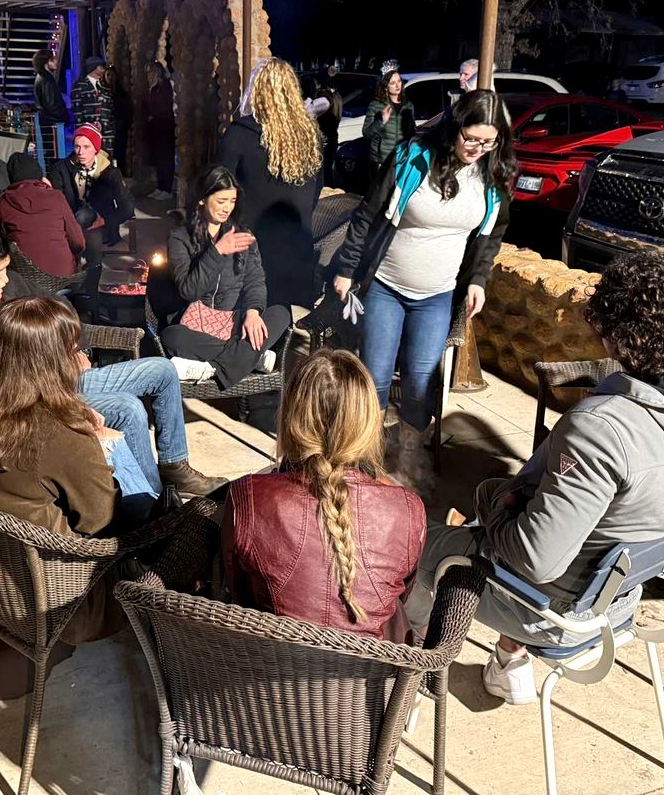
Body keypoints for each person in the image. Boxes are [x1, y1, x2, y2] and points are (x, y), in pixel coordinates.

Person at [403, 251, 664, 704]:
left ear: (617, 340)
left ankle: (404, 671)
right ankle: (508, 667)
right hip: (618, 593)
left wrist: (496, 507)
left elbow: (534, 560)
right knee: (513, 516)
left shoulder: (602, 429)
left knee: (413, 546)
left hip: (549, 609)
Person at [0, 238, 225, 496]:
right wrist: (65, 403)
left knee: (161, 370)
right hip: (24, 402)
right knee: (127, 408)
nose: (4, 282)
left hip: (42, 381)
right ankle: (149, 500)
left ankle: (170, 471)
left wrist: (65, 353)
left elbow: (42, 324)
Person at [0, 296, 142, 645]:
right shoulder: (62, 437)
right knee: (180, 518)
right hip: (63, 605)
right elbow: (101, 521)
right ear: (53, 361)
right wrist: (100, 449)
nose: (83, 360)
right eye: (74, 349)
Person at [333, 89, 513, 478]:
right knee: (375, 375)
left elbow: (492, 234)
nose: (478, 148)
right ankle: (367, 456)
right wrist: (346, 269)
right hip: (385, 284)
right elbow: (367, 214)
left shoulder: (495, 175)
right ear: (455, 128)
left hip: (438, 294)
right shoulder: (411, 156)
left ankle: (409, 459)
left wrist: (479, 279)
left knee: (420, 381)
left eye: (488, 140)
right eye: (472, 138)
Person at [221, 349, 425, 640]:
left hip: (265, 674)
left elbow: (239, 593)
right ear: (367, 422)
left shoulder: (248, 498)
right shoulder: (407, 509)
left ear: (293, 415)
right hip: (368, 682)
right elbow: (400, 594)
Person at [161, 166, 292, 387]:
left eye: (232, 201)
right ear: (203, 199)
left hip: (234, 324)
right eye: (221, 201)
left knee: (280, 314)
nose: (227, 208)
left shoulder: (242, 235)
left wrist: (252, 313)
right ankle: (251, 358)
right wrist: (217, 251)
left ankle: (211, 368)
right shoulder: (179, 238)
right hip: (195, 327)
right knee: (172, 337)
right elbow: (189, 290)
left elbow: (255, 281)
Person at [215, 57, 324, 309]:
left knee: (251, 332)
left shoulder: (240, 135)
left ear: (257, 91)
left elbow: (218, 189)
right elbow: (315, 192)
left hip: (251, 254)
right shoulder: (310, 137)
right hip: (298, 248)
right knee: (286, 330)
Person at [46, 122, 135, 266]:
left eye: (86, 147)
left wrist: (105, 220)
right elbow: (57, 200)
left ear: (96, 149)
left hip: (102, 223)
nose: (81, 152)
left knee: (90, 234)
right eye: (77, 146)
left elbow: (127, 207)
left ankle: (88, 274)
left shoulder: (110, 173)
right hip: (70, 223)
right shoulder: (62, 169)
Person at [0, 151, 85, 276]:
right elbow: (78, 241)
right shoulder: (56, 196)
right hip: (63, 276)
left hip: (25, 278)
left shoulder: (4, 202)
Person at [363, 63, 415, 168]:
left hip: (401, 159)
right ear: (386, 86)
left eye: (399, 81)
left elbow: (411, 132)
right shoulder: (376, 105)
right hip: (380, 161)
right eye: (392, 83)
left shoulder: (408, 105)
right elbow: (366, 133)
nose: (397, 85)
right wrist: (381, 122)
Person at [143, 62, 176, 199]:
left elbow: (165, 106)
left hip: (165, 127)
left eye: (151, 72)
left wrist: (154, 115)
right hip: (156, 127)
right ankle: (160, 186)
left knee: (165, 158)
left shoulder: (164, 87)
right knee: (158, 158)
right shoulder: (152, 88)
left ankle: (167, 188)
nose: (148, 75)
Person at [71, 55, 114, 153]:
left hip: (106, 135)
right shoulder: (79, 86)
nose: (103, 70)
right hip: (89, 133)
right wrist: (82, 132)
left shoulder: (105, 87)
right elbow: (77, 111)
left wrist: (110, 128)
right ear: (93, 68)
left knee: (106, 162)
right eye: (101, 67)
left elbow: (110, 110)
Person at [32, 49, 67, 160]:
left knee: (51, 153)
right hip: (52, 123)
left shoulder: (41, 77)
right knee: (55, 154)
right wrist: (64, 115)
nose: (56, 61)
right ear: (47, 61)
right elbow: (51, 104)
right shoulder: (46, 79)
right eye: (54, 59)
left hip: (47, 120)